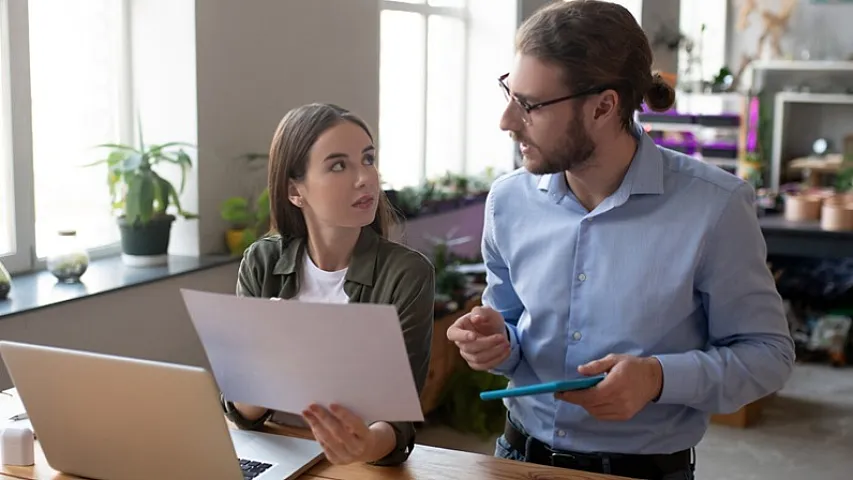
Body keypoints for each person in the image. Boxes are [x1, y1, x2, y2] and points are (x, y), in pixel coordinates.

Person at [447, 1, 795, 479]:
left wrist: (658, 378)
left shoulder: (715, 206)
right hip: (516, 457)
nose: (507, 121)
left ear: (603, 107)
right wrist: (495, 342)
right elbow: (509, 325)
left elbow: (769, 355)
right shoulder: (508, 201)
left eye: (529, 105)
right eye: (509, 92)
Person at [221, 103, 435, 467]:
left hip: (361, 466)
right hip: (277, 454)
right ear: (295, 191)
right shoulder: (262, 262)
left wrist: (365, 445)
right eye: (338, 165)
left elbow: (397, 422)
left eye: (368, 159)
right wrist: (266, 353)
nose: (365, 178)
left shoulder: (407, 274)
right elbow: (243, 413)